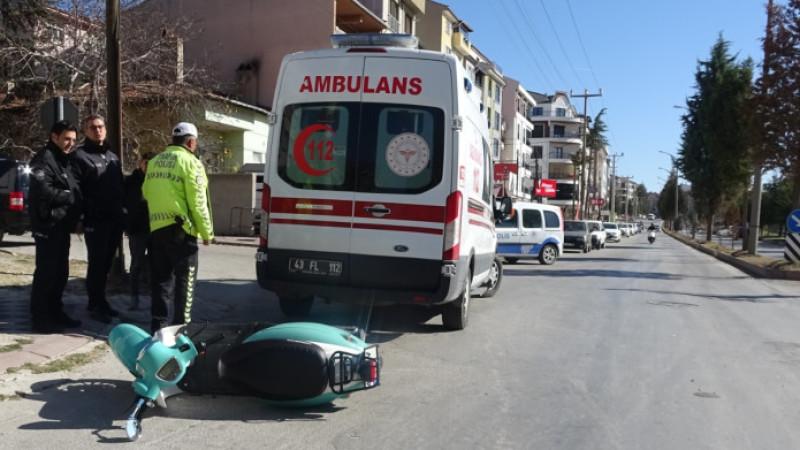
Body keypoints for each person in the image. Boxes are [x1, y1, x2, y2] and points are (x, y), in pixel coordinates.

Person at [143, 122, 214, 334]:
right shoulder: (190, 162)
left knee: (161, 281)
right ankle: (181, 329)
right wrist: (206, 232)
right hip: (182, 231)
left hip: (157, 229)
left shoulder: (154, 162)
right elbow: (198, 201)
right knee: (185, 280)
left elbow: (146, 192)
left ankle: (158, 327)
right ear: (191, 142)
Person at [69, 114, 126, 323]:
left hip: (114, 219)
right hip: (95, 220)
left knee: (107, 263)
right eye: (93, 127)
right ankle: (94, 304)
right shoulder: (79, 156)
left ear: (106, 129)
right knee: (96, 262)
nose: (97, 130)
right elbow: (75, 191)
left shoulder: (112, 157)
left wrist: (125, 211)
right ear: (85, 131)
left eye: (101, 126)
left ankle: (102, 300)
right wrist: (80, 217)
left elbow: (120, 187)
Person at [28, 121, 83, 333]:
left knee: (60, 272)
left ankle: (55, 312)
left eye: (73, 140)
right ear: (54, 137)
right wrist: (70, 197)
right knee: (46, 273)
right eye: (66, 139)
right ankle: (40, 318)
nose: (70, 143)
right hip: (47, 224)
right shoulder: (43, 160)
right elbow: (45, 191)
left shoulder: (63, 160)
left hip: (61, 225)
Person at [124, 151, 154, 310]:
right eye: (146, 163)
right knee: (136, 265)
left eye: (152, 163)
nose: (148, 166)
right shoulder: (130, 181)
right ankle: (134, 299)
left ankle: (154, 297)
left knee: (155, 264)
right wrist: (127, 226)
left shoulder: (158, 181)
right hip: (136, 230)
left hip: (155, 228)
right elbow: (123, 204)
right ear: (140, 163)